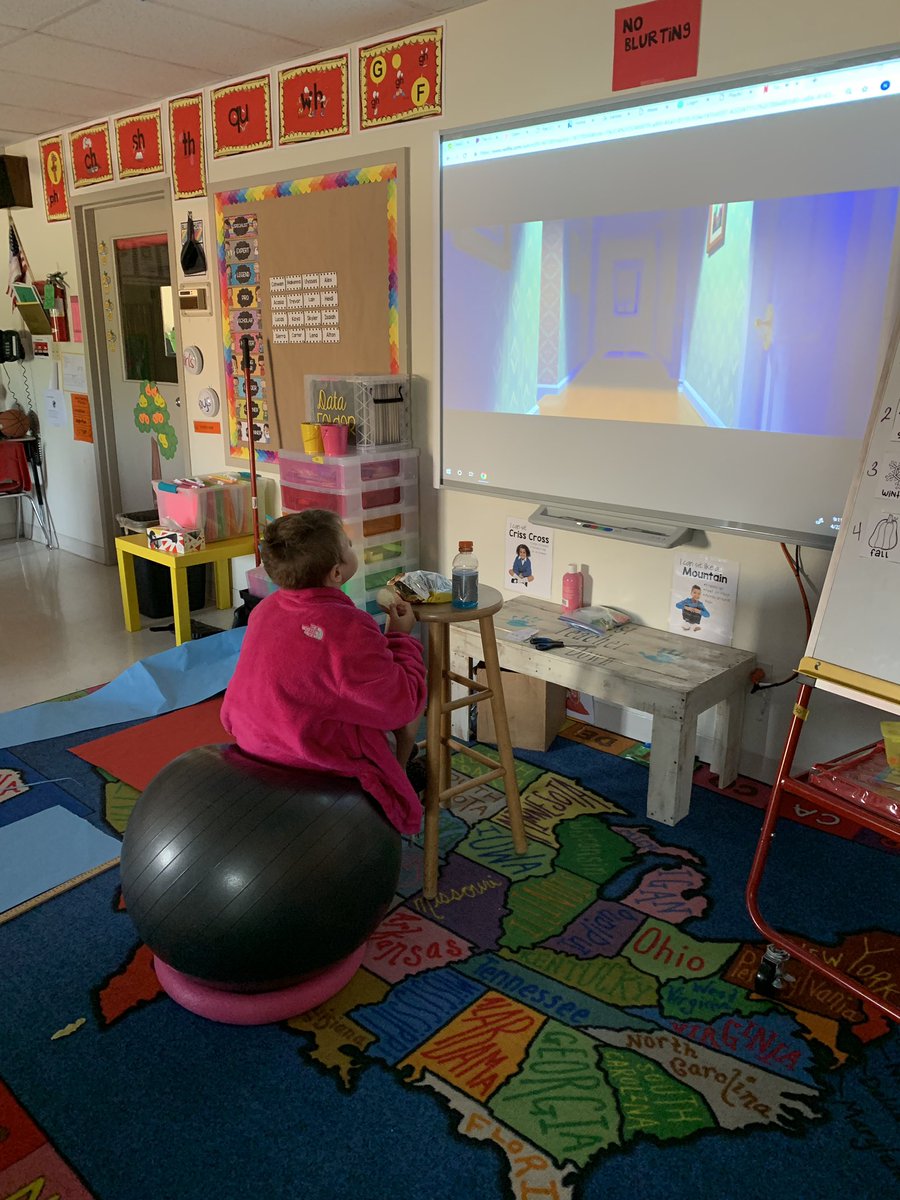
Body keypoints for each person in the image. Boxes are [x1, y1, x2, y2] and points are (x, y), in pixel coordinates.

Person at [221, 509, 427, 834]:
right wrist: (401, 637)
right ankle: (399, 774)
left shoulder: (264, 610)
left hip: (255, 740)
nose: (352, 545)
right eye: (348, 544)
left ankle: (398, 765)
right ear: (336, 573)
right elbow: (399, 704)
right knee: (411, 706)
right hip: (311, 757)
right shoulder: (348, 625)